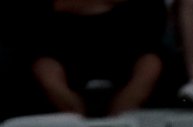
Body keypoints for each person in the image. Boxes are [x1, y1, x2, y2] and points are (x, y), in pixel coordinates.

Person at [29, 0, 166, 118]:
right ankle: (77, 121)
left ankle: (116, 123)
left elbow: (153, 14)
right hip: (63, 46)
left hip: (125, 45)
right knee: (44, 69)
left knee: (150, 65)